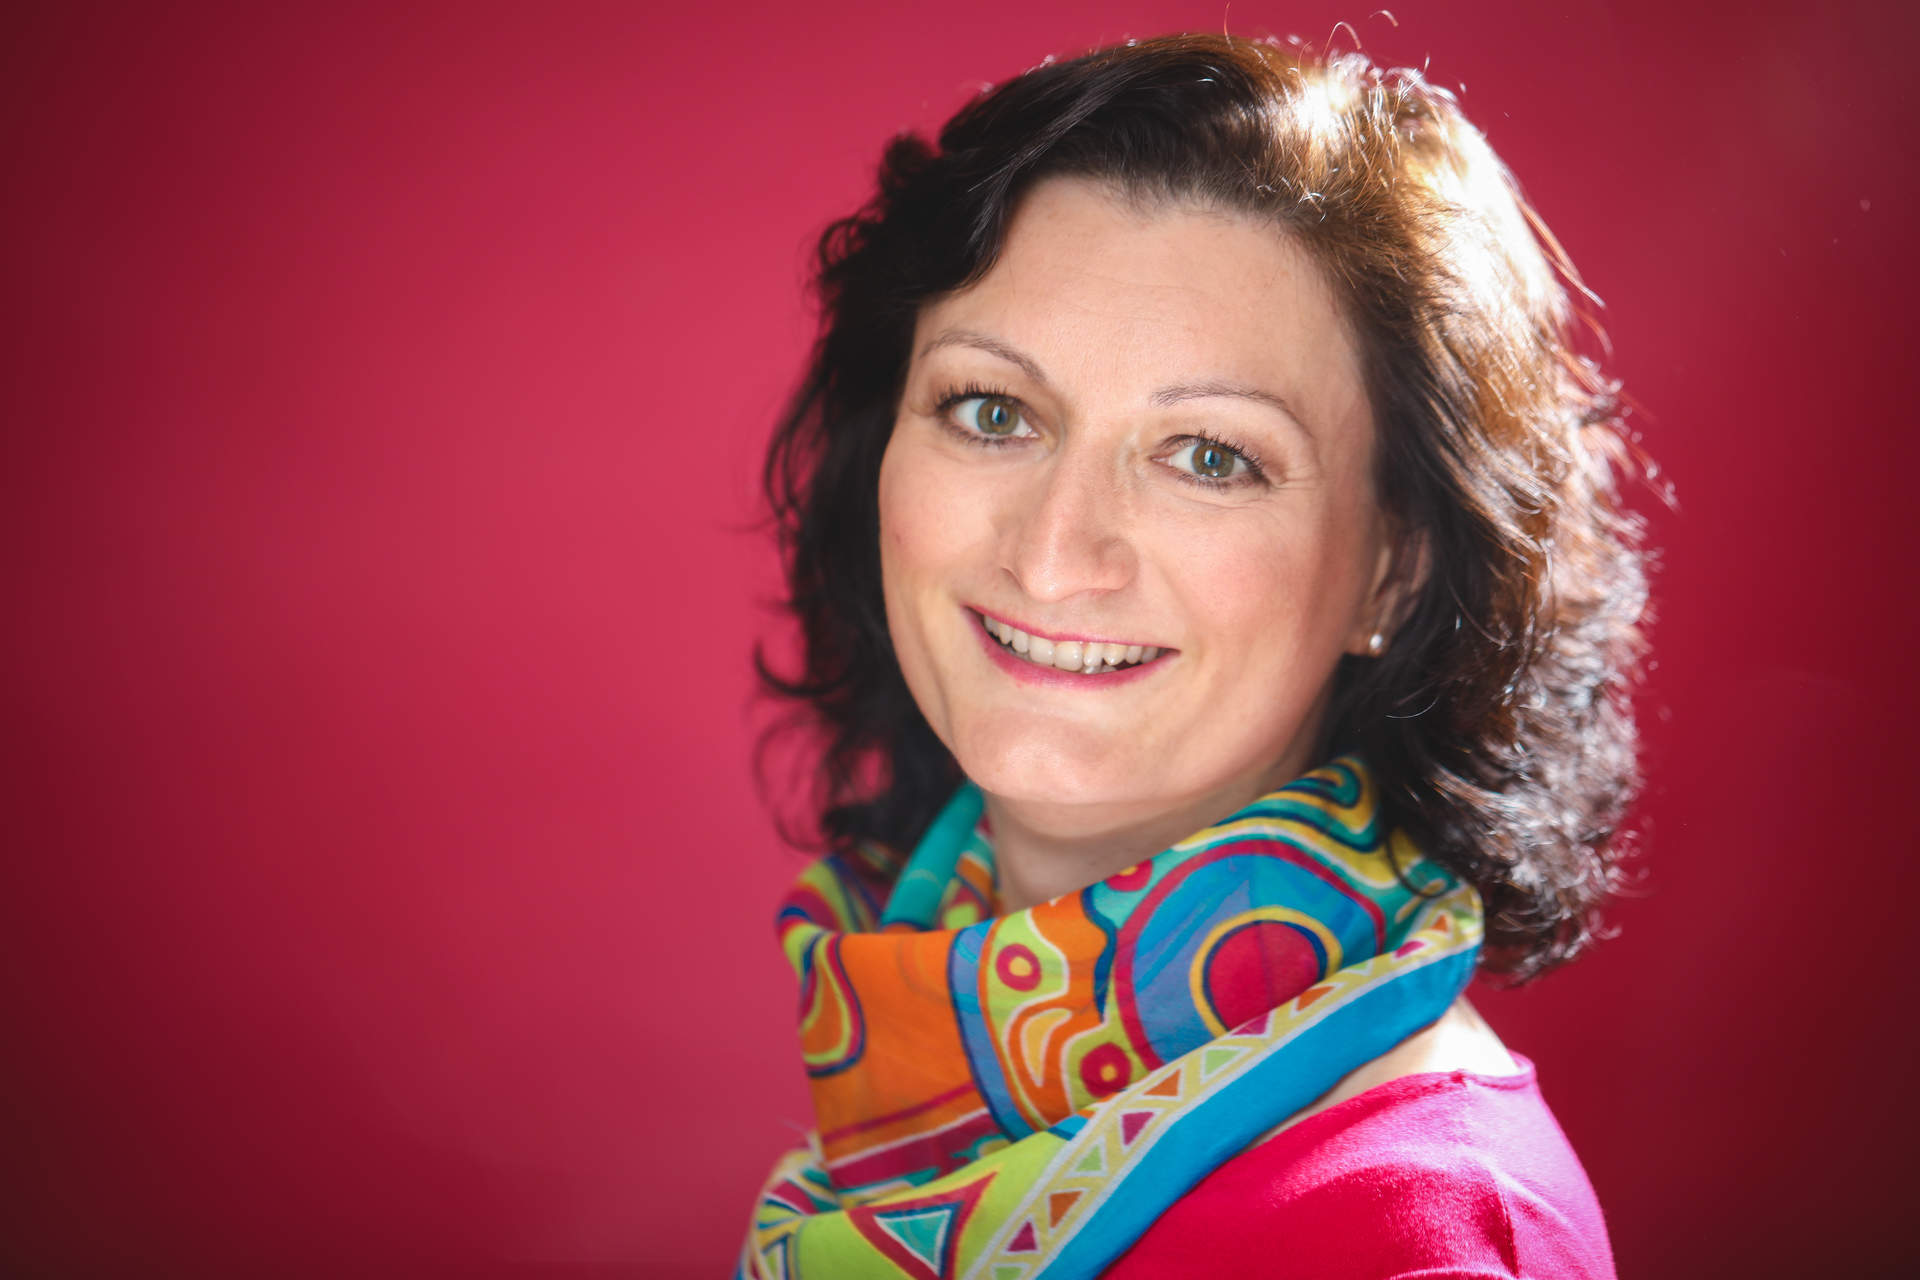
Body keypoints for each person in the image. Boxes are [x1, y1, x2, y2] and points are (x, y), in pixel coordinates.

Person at [737, 31, 1647, 1280]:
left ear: (1394, 570)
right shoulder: (900, 1040)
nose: (1053, 555)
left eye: (1211, 457)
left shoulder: (1422, 1239)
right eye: (992, 411)